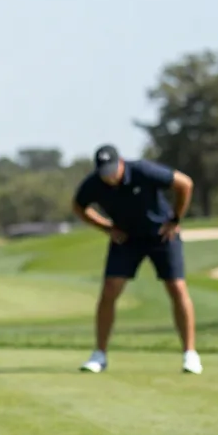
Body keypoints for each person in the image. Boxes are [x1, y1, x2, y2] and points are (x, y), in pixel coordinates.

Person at [72, 144, 201, 374]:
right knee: (109, 290)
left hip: (161, 234)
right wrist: (106, 227)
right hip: (126, 239)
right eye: (104, 172)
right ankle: (99, 355)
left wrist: (175, 219)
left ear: (121, 162)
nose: (109, 177)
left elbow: (185, 184)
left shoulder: (142, 170)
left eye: (112, 170)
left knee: (177, 288)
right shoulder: (94, 183)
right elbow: (78, 206)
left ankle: (190, 355)